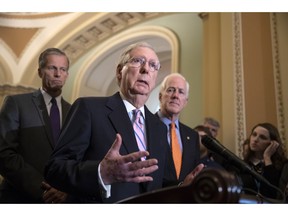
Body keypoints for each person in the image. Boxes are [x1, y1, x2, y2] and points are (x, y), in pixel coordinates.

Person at [44, 42, 204, 203]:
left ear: (155, 78)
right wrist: (101, 173)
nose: (146, 69)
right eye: (138, 61)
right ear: (120, 71)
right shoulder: (89, 108)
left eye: (153, 65)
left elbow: (155, 184)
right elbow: (55, 168)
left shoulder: (158, 127)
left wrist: (182, 187)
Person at [0, 48, 71, 203]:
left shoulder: (74, 111)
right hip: (20, 198)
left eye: (63, 69)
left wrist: (66, 191)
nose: (58, 74)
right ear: (40, 72)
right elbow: (4, 153)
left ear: (67, 74)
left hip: (63, 200)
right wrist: (42, 189)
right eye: (52, 68)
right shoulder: (17, 103)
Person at [156, 73, 200, 186]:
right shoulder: (145, 125)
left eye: (181, 92)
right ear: (160, 96)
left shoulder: (193, 136)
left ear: (185, 102)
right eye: (170, 90)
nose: (175, 95)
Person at [240, 122, 287, 200]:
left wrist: (267, 157)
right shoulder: (241, 164)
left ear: (272, 143)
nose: (255, 140)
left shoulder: (283, 165)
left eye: (262, 137)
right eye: (254, 134)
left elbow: (272, 193)